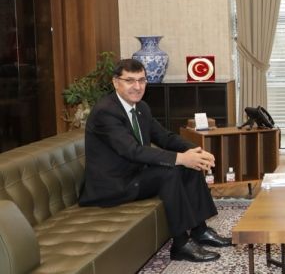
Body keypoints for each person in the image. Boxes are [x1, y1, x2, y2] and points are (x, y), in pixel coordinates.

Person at [79, 59, 231, 263]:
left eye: (142, 80)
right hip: (112, 185)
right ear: (116, 82)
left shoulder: (141, 107)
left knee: (191, 165)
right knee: (170, 171)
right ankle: (181, 245)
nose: (137, 86)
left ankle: (200, 231)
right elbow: (132, 151)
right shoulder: (105, 112)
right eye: (130, 81)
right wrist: (181, 158)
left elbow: (164, 137)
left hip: (134, 175)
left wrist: (194, 151)